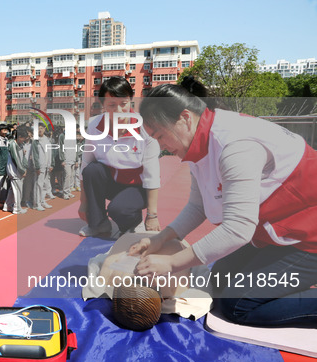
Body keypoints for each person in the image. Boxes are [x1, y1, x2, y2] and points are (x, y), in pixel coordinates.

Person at [129, 79, 317, 327]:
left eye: (160, 136)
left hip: (308, 237)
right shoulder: (199, 143)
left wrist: (171, 263)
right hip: (278, 231)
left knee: (237, 304)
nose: (161, 146)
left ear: (184, 118)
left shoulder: (234, 146)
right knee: (219, 280)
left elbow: (238, 228)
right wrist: (160, 238)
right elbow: (198, 206)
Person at [79, 76, 161, 237]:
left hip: (138, 188)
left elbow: (152, 174)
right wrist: (83, 204)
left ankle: (132, 221)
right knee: (92, 170)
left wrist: (152, 215)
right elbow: (86, 164)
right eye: (111, 105)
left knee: (119, 210)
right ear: (102, 105)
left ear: (131, 101)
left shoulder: (145, 127)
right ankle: (99, 224)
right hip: (111, 183)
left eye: (123, 104)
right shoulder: (95, 126)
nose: (119, 111)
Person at [4, 125, 29, 214]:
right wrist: (22, 170)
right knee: (18, 190)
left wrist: (25, 167)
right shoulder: (12, 144)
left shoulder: (21, 145)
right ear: (19, 137)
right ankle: (17, 208)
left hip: (18, 170)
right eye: (23, 138)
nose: (24, 140)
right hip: (14, 171)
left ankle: (7, 205)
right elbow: (15, 159)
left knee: (12, 189)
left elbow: (23, 158)